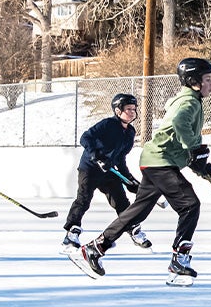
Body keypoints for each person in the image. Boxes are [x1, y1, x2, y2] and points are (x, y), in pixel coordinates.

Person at [68, 58, 211, 285]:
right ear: (194, 82)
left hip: (158, 161)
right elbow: (180, 124)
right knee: (190, 204)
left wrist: (208, 170)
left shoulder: (192, 101)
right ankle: (179, 260)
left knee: (138, 211)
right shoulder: (189, 103)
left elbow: (187, 151)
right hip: (160, 162)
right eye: (207, 79)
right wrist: (196, 150)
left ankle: (95, 248)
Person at [61, 93, 152, 253]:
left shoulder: (130, 132)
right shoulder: (108, 124)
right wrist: (96, 155)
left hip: (108, 171)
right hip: (90, 168)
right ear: (118, 111)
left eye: (134, 109)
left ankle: (133, 230)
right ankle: (71, 233)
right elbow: (85, 137)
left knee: (122, 202)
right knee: (84, 199)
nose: (132, 112)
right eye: (128, 109)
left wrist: (128, 179)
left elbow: (120, 157)